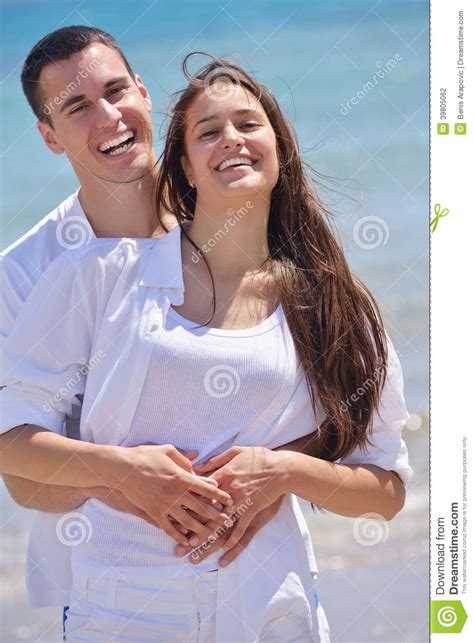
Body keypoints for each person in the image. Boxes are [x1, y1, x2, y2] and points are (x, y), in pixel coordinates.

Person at [0, 52, 411, 641]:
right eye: (209, 131)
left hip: (272, 606)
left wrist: (284, 470)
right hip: (124, 607)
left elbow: (386, 486)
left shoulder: (333, 304)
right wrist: (124, 473)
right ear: (185, 166)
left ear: (280, 148)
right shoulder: (89, 273)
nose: (232, 141)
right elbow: (13, 446)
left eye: (249, 125)